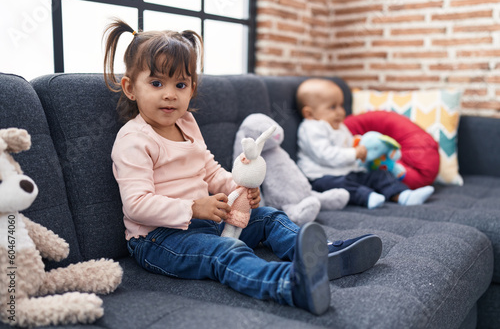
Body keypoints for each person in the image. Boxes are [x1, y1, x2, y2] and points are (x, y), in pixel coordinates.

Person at [104, 19, 382, 316]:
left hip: (207, 221)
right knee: (225, 252)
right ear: (130, 87)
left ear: (192, 88)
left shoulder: (186, 123)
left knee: (271, 218)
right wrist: (193, 208)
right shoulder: (134, 140)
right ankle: (290, 285)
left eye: (180, 84)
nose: (170, 94)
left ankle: (322, 256)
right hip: (158, 239)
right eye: (157, 83)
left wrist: (236, 190)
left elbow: (209, 170)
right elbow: (136, 205)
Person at [296, 78, 435, 209]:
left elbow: (349, 143)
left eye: (341, 106)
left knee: (379, 175)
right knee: (342, 185)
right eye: (333, 107)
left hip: (348, 170)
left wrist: (362, 147)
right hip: (321, 176)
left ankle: (403, 196)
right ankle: (367, 197)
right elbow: (325, 154)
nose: (340, 112)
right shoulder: (311, 128)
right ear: (309, 113)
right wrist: (354, 153)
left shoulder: (340, 126)